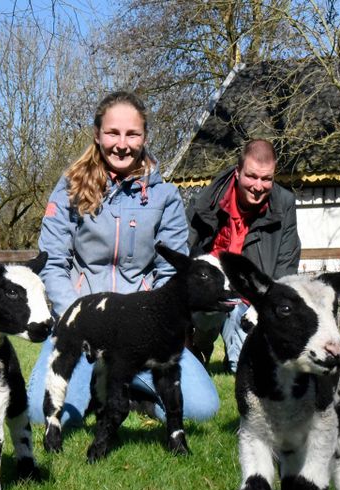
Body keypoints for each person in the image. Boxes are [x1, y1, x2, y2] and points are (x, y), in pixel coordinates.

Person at [27, 91, 219, 427]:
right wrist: (78, 319)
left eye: (132, 134)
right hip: (82, 326)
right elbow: (52, 263)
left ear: (144, 137)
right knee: (39, 415)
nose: (122, 143)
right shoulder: (68, 189)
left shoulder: (166, 197)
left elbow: (171, 274)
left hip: (143, 332)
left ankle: (129, 392)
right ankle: (94, 391)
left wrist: (149, 323)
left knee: (202, 409)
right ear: (97, 135)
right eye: (113, 133)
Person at [185, 139, 301, 372]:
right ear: (238, 172)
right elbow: (181, 249)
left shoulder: (285, 205)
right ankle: (199, 345)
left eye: (266, 179)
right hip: (211, 293)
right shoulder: (207, 201)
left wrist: (264, 305)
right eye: (252, 176)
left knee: (244, 368)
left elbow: (286, 267)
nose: (258, 186)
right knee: (207, 313)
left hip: (251, 300)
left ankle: (240, 353)